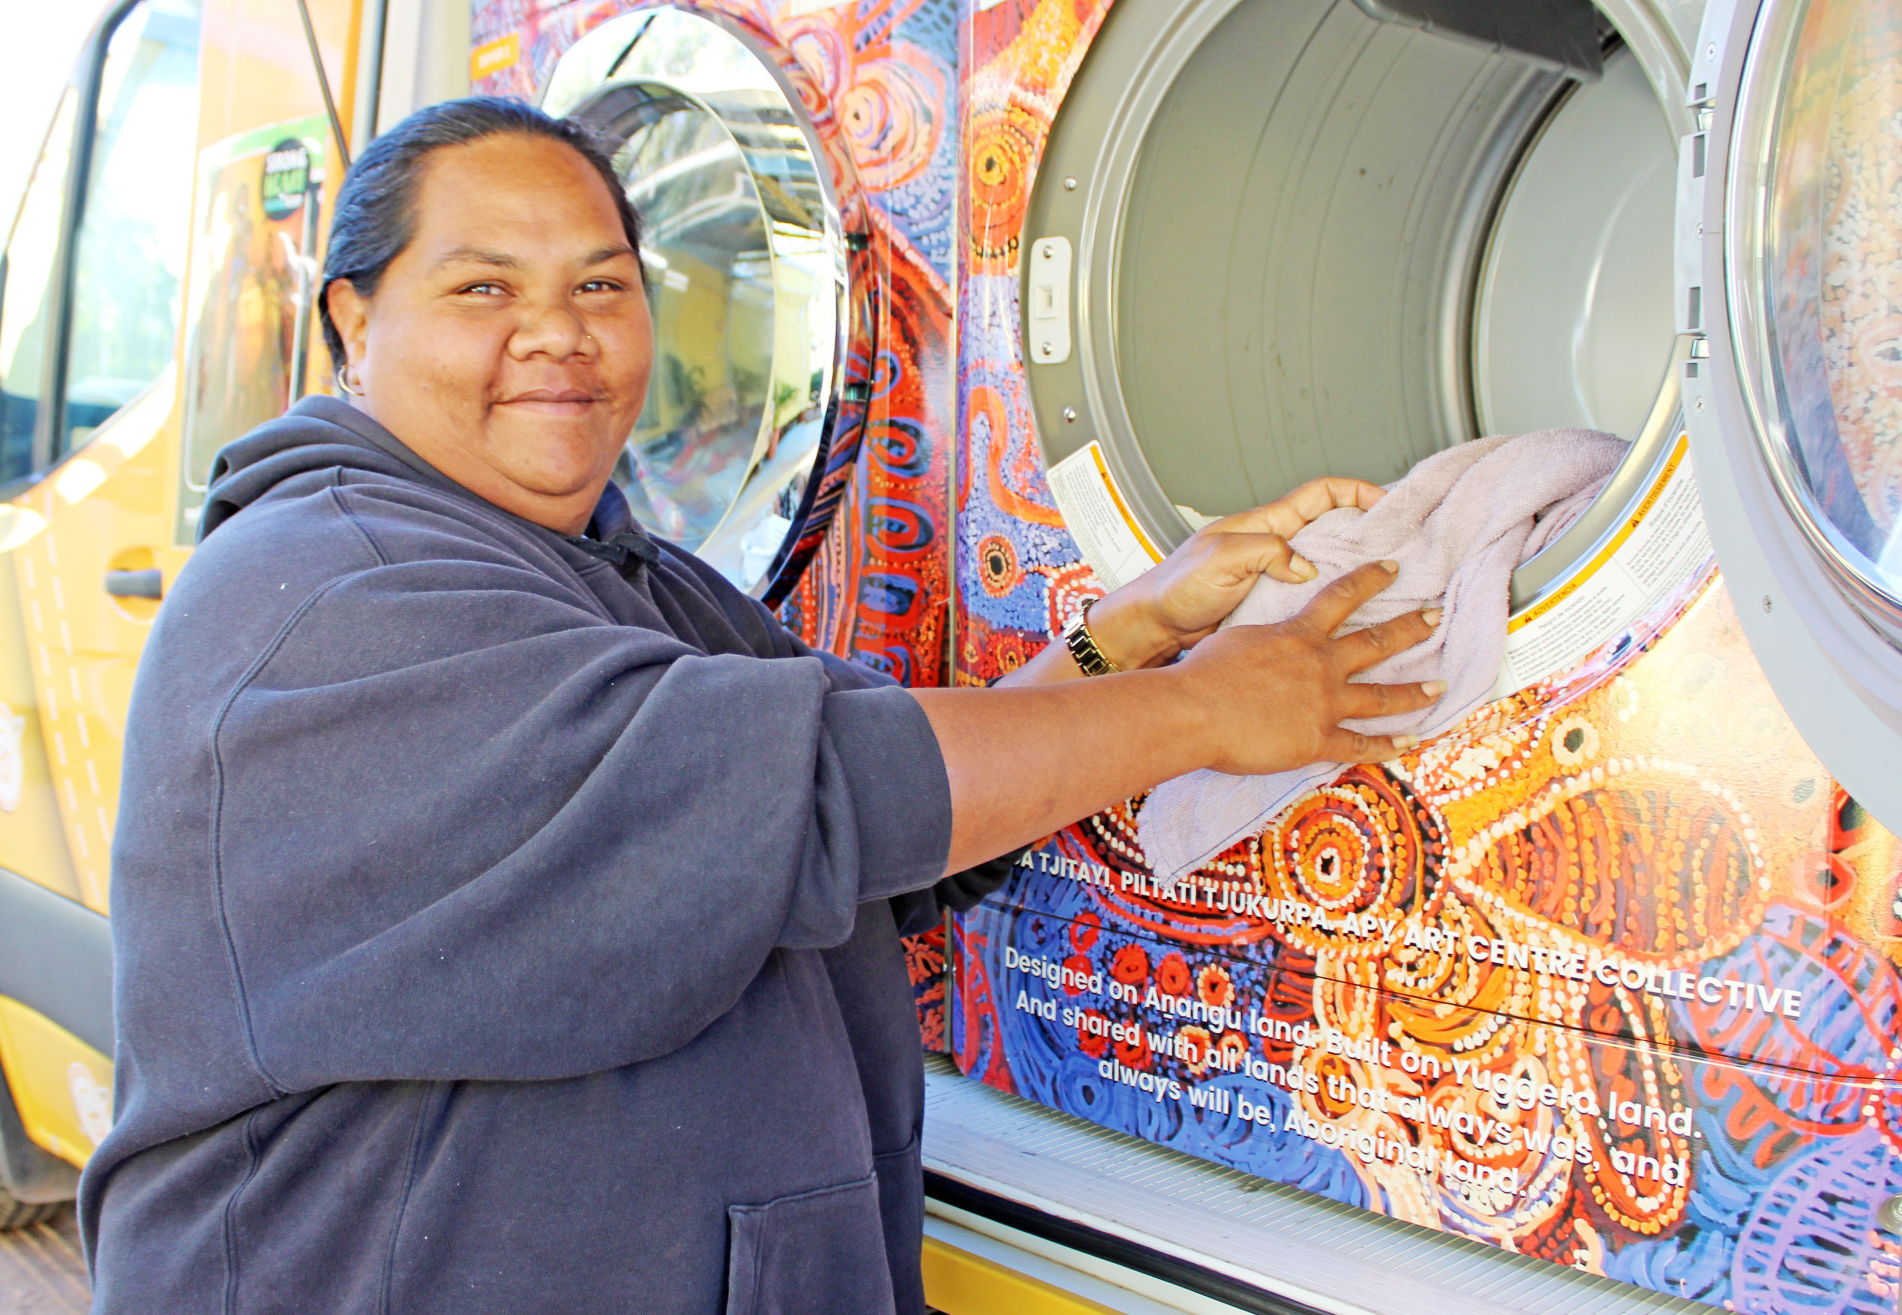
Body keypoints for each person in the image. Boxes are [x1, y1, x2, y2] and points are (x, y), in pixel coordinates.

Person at [78, 97, 1441, 1314]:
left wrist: (1131, 630)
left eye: (602, 283)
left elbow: (875, 831)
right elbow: (825, 797)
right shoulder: (333, 591)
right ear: (354, 323)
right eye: (485, 287)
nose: (557, 331)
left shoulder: (617, 570)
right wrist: (1207, 710)